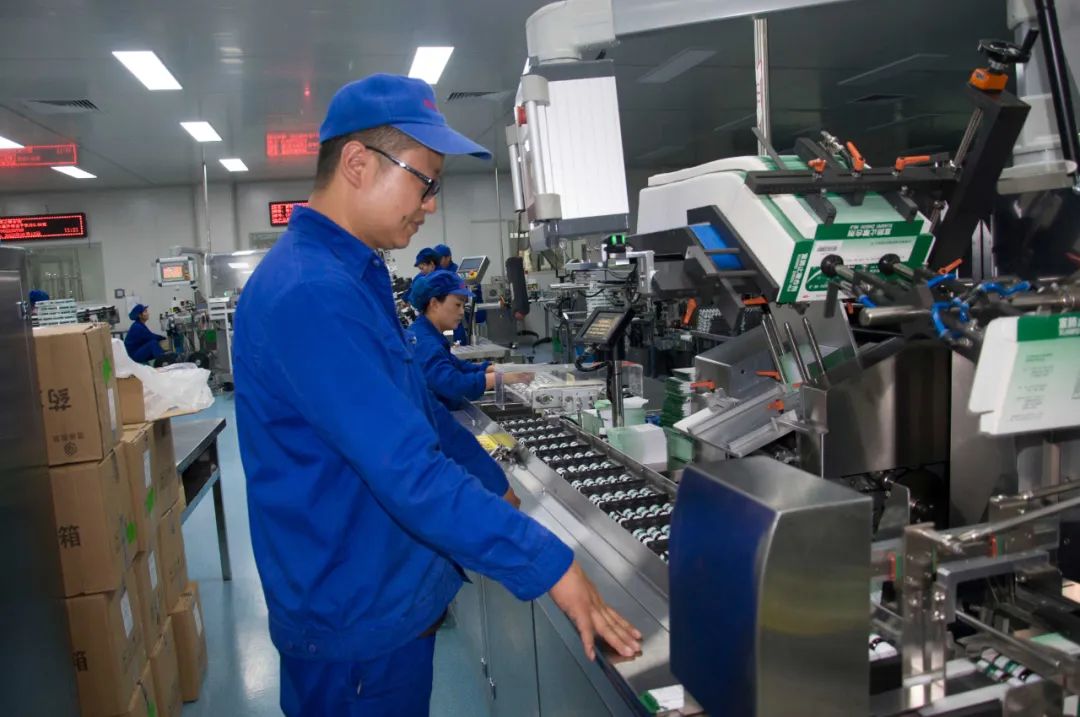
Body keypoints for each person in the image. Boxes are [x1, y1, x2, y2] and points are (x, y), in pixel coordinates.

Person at [232, 74, 640, 717]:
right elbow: (404, 468)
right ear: (358, 163)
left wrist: (491, 482)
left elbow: (415, 408)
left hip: (381, 589)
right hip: (354, 616)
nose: (428, 204)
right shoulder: (311, 293)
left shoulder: (352, 274)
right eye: (424, 182)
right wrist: (548, 563)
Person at [409, 270, 531, 410]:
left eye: (463, 306)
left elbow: (457, 366)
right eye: (457, 305)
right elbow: (455, 385)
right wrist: (502, 377)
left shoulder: (428, 333)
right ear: (434, 304)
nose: (462, 312)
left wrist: (493, 368)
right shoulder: (425, 343)